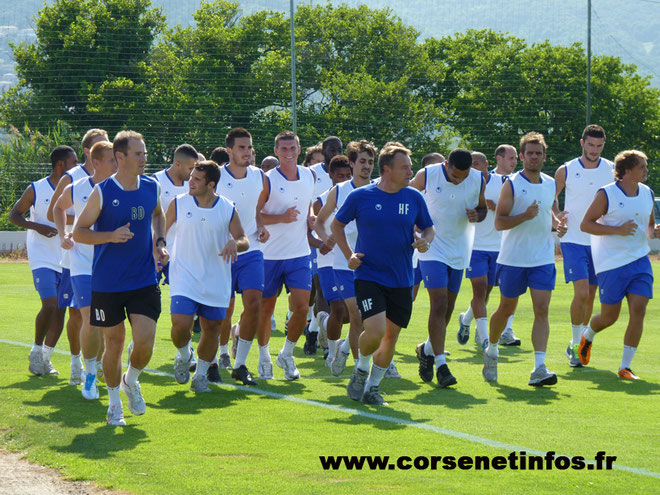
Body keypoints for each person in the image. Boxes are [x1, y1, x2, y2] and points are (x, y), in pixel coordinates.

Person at [73, 130, 168, 426]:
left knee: (145, 342)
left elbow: (158, 215)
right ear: (120, 157)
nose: (144, 158)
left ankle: (132, 380)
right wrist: (110, 236)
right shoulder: (103, 191)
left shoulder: (152, 186)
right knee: (114, 344)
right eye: (138, 154)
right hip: (108, 283)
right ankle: (114, 404)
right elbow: (79, 232)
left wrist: (160, 242)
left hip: (143, 279)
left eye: (145, 153)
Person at [332, 145, 434, 405]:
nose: (411, 171)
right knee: (375, 331)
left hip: (402, 279)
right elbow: (337, 224)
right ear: (387, 169)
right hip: (369, 276)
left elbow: (429, 229)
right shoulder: (361, 197)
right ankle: (361, 369)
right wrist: (349, 255)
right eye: (406, 167)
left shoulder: (414, 198)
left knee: (391, 337)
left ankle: (372, 388)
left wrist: (424, 241)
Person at [483, 132, 566, 386]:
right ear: (521, 156)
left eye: (538, 153)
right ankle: (492, 348)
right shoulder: (511, 184)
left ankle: (539, 367)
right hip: (513, 259)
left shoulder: (551, 183)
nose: (533, 157)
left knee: (542, 310)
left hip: (542, 258)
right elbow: (499, 222)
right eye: (529, 153)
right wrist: (524, 217)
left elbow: (549, 210)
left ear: (544, 156)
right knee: (506, 308)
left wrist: (558, 224)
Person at [167, 161, 249, 392]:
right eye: (190, 176)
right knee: (180, 324)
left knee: (212, 329)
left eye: (196, 179)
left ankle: (201, 375)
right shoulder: (178, 203)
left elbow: (244, 239)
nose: (189, 182)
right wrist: (159, 247)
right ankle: (184, 355)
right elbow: (160, 229)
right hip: (184, 276)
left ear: (211, 184)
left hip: (216, 278)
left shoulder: (227, 207)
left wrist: (236, 243)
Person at [411, 148, 486, 387]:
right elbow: (405, 198)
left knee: (450, 306)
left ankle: (427, 349)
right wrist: (414, 230)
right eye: (455, 176)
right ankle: (441, 364)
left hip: (460, 249)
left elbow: (483, 209)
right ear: (445, 164)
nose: (459, 181)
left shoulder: (477, 178)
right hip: (431, 247)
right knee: (440, 303)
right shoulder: (427, 174)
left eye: (463, 177)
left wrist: (477, 215)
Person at [578, 150, 657, 380]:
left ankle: (625, 367)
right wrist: (617, 230)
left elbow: (649, 226)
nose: (646, 170)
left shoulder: (648, 193)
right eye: (642, 166)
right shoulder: (607, 194)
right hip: (611, 264)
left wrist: (655, 232)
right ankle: (588, 335)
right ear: (627, 170)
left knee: (639, 310)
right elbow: (586, 224)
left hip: (640, 260)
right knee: (609, 317)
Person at [53, 141, 117, 399]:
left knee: (110, 321)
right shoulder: (76, 187)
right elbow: (57, 208)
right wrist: (63, 235)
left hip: (112, 264)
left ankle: (102, 364)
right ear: (96, 162)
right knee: (89, 316)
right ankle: (89, 374)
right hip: (81, 264)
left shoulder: (122, 189)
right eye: (113, 160)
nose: (117, 164)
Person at [9, 145, 77, 376]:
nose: (77, 167)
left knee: (60, 310)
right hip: (42, 258)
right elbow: (14, 215)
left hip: (65, 257)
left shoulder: (76, 189)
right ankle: (36, 350)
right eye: (73, 162)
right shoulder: (36, 188)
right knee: (49, 304)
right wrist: (36, 225)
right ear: (61, 165)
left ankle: (45, 358)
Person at [315, 140, 378, 376]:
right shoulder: (339, 190)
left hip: (373, 265)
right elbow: (320, 221)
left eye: (371, 162)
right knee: (357, 315)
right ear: (351, 163)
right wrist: (327, 239)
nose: (367, 166)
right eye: (362, 161)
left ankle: (343, 349)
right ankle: (359, 367)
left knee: (371, 319)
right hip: (343, 263)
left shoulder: (380, 189)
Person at [257, 130, 316, 380]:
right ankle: (264, 358)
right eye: (284, 149)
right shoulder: (266, 179)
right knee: (265, 310)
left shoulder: (310, 175)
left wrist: (310, 216)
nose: (289, 153)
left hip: (299, 254)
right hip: (269, 256)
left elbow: (307, 202)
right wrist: (281, 218)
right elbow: (255, 214)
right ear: (276, 150)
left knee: (302, 308)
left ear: (299, 150)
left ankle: (287, 354)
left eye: (293, 148)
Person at [554, 125, 614, 367]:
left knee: (590, 296)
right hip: (573, 241)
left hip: (599, 242)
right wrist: (558, 219)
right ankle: (573, 343)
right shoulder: (566, 169)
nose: (594, 150)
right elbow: (551, 199)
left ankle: (580, 343)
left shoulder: (612, 169)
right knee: (580, 293)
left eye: (599, 146)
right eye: (590, 145)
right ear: (582, 143)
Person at [215, 128, 269, 385]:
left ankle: (240, 365)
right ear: (229, 151)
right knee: (222, 311)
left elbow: (256, 207)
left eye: (249, 147)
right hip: (221, 254)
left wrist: (260, 225)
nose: (247, 152)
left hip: (251, 250)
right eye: (241, 148)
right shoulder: (216, 177)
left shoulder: (259, 175)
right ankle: (216, 356)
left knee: (255, 304)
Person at [458, 147, 520, 348]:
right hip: (475, 246)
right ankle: (487, 337)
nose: (514, 161)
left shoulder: (509, 182)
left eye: (477, 164)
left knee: (492, 292)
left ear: (486, 165)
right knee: (480, 289)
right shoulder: (472, 183)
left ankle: (466, 320)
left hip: (501, 247)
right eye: (471, 164)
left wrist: (499, 206)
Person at [300, 136, 344, 354]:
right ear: (323, 150)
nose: (335, 151)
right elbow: (307, 202)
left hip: (343, 244)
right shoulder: (313, 173)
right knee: (318, 290)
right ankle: (324, 338)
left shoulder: (347, 171)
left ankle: (315, 331)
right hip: (319, 238)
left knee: (331, 295)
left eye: (339, 148)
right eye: (331, 148)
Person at [311, 155, 353, 365]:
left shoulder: (357, 195)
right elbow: (314, 222)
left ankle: (324, 324)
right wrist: (323, 240)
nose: (343, 179)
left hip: (351, 260)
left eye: (347, 175)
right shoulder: (322, 199)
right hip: (329, 261)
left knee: (352, 314)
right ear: (330, 176)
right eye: (339, 176)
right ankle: (333, 353)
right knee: (338, 308)